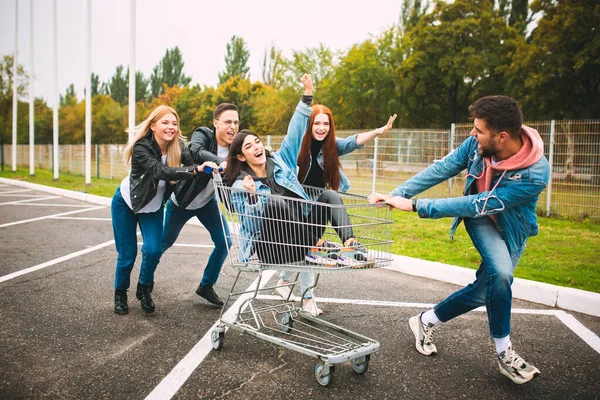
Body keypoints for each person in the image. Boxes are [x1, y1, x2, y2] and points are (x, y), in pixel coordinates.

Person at [368, 95, 549, 384]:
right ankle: (505, 353)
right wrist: (397, 195)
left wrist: (417, 207)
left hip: (508, 227)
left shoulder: (535, 172)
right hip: (480, 222)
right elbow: (442, 168)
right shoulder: (477, 145)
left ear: (502, 137)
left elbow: (481, 202)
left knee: (485, 289)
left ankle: (425, 320)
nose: (472, 134)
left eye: (478, 130)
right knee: (501, 275)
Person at [274, 74, 397, 312]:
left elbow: (354, 141)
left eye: (326, 124)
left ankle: (350, 243)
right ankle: (307, 299)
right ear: (310, 125)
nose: (321, 128)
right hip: (293, 210)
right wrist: (307, 94)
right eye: (317, 123)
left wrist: (378, 131)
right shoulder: (295, 147)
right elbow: (295, 126)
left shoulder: (331, 147)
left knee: (330, 198)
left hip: (316, 209)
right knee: (309, 248)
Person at [226, 130, 370, 316]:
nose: (256, 147)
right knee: (275, 202)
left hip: (299, 239)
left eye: (257, 142)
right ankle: (316, 247)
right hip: (273, 248)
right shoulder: (240, 186)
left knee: (329, 195)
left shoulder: (278, 163)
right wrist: (253, 196)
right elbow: (251, 226)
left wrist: (305, 106)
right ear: (241, 157)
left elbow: (293, 136)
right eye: (249, 146)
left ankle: (352, 244)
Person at [112, 105, 215, 315]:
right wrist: (194, 169)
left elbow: (194, 162)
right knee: (127, 255)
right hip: (126, 203)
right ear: (153, 126)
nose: (171, 127)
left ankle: (144, 289)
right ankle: (120, 293)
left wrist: (215, 165)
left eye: (174, 123)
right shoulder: (142, 147)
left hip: (153, 207)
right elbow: (161, 171)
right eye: (165, 122)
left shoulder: (178, 148)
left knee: (152, 250)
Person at [160, 104, 238, 307]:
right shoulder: (203, 133)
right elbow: (195, 150)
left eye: (236, 122)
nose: (233, 127)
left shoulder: (235, 147)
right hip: (182, 203)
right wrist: (220, 162)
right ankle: (145, 281)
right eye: (228, 122)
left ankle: (206, 285)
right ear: (216, 123)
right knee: (162, 244)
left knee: (224, 242)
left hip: (207, 203)